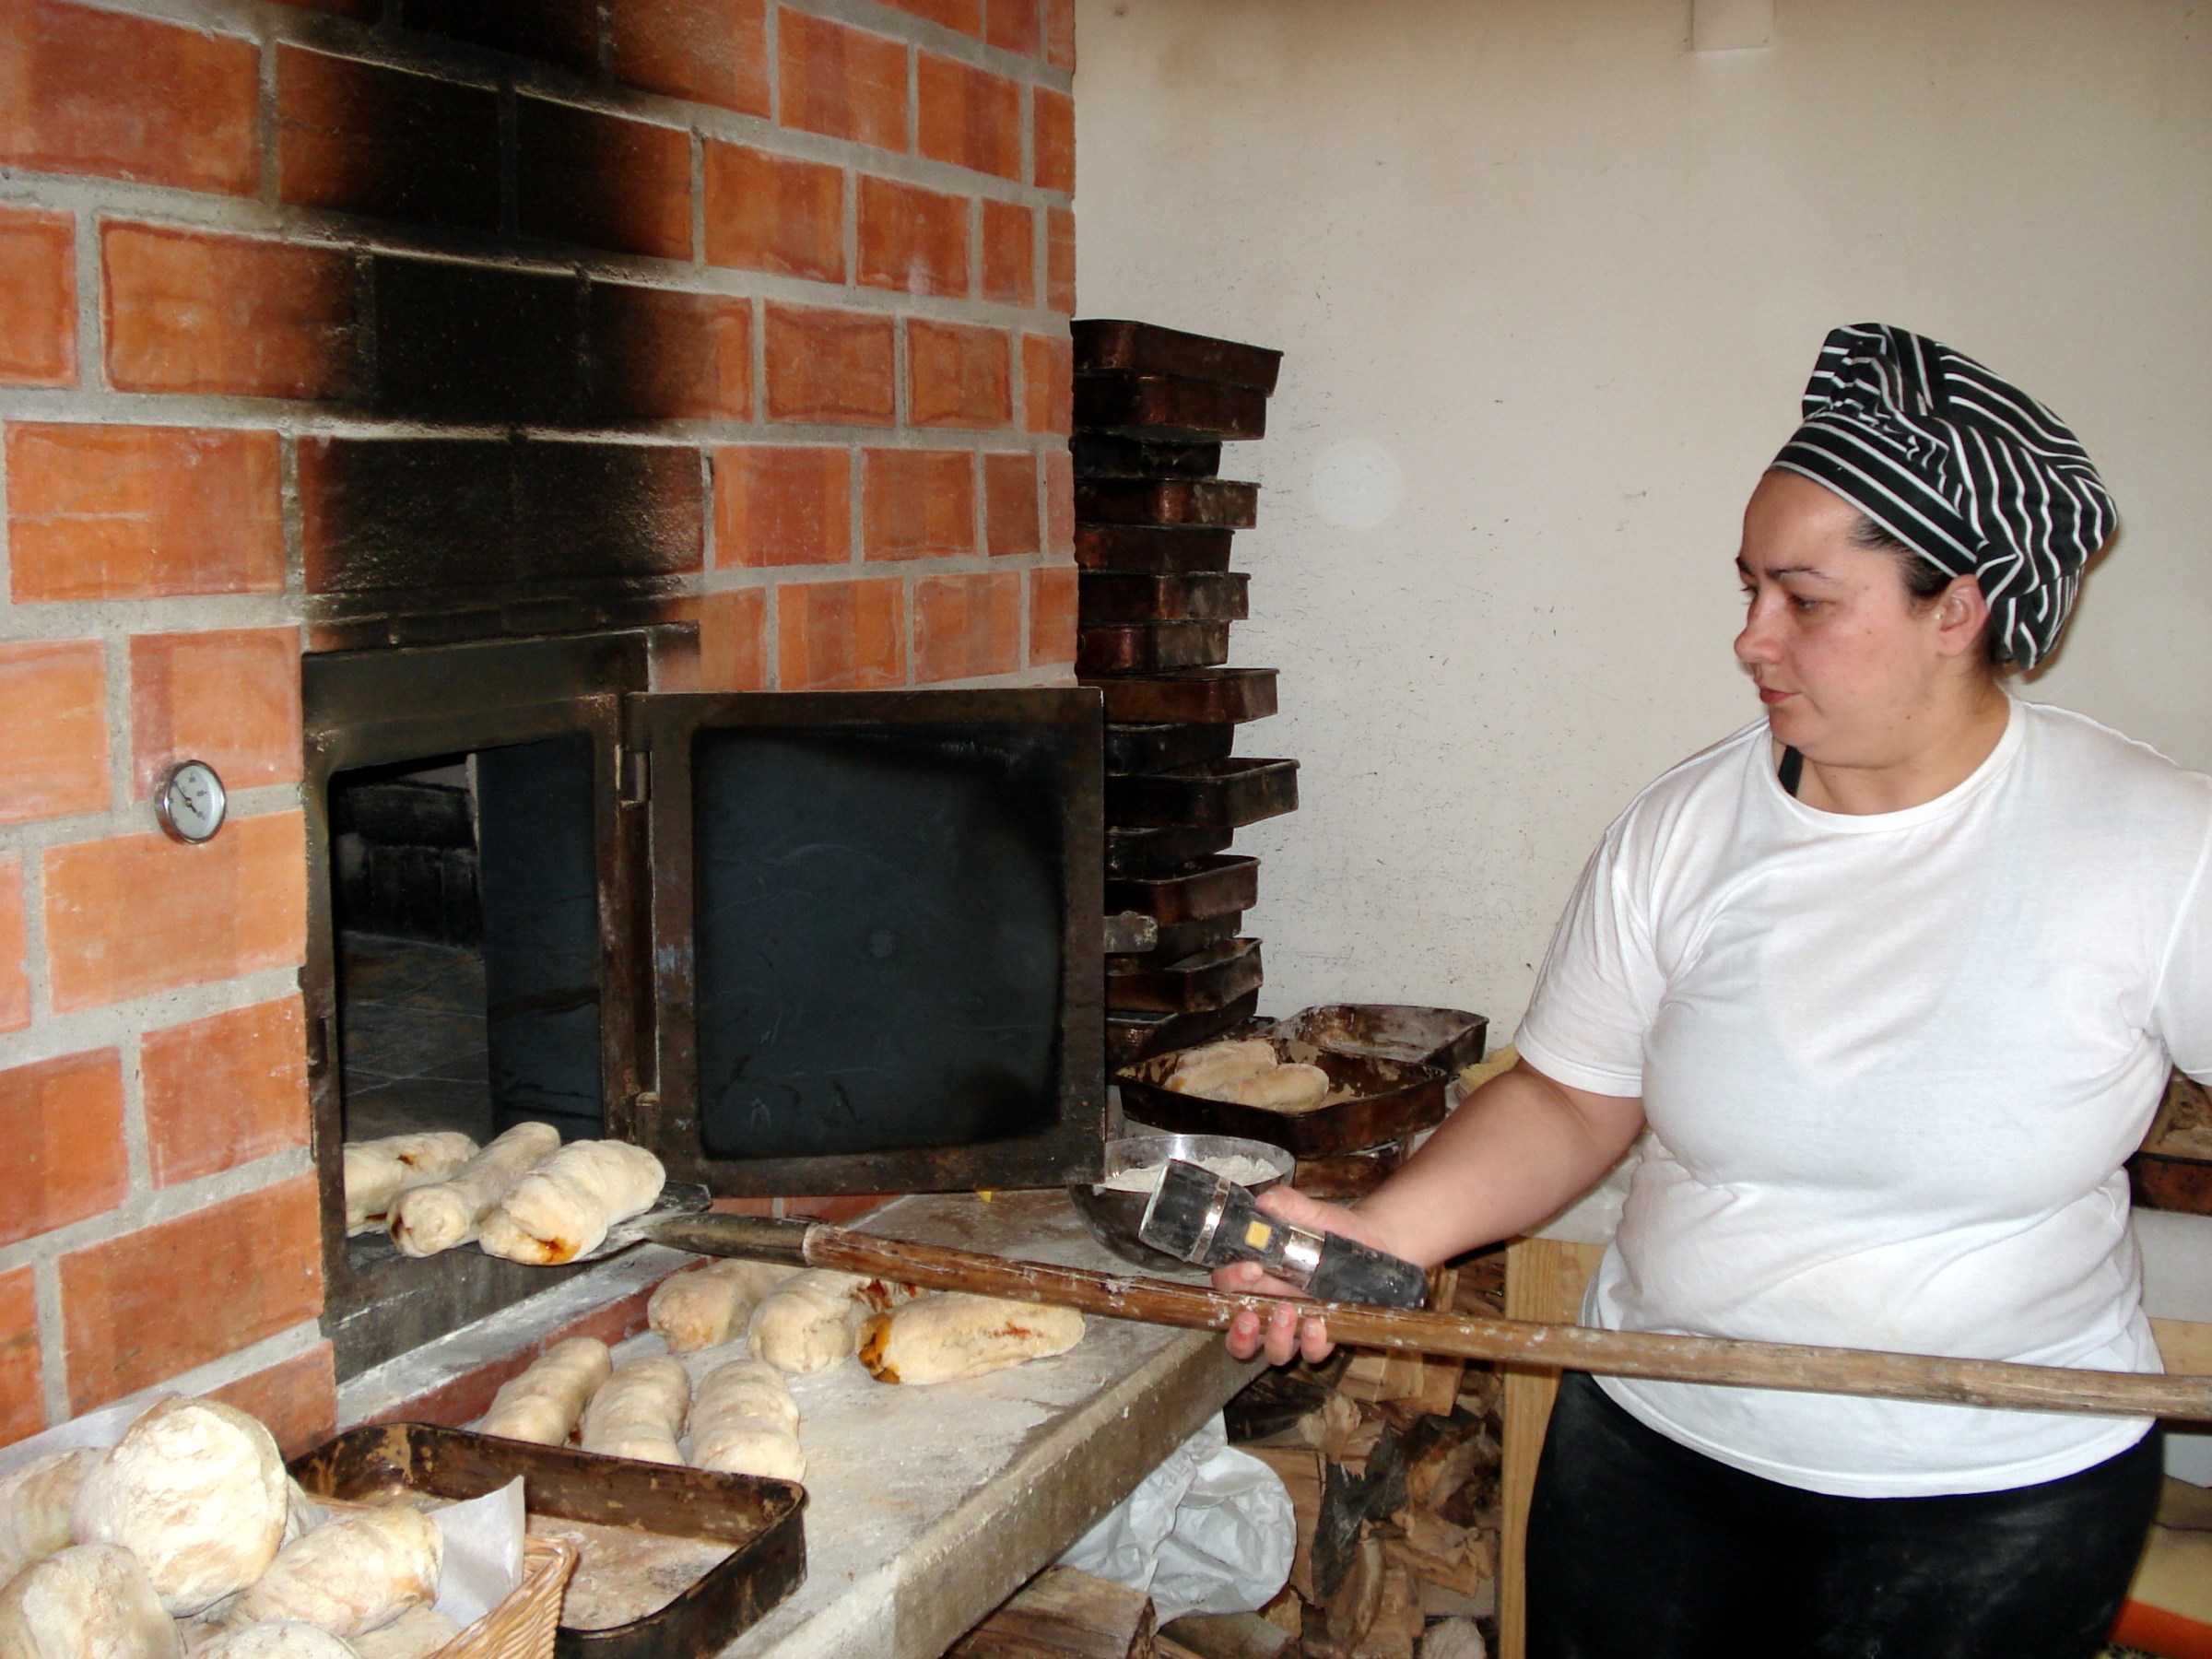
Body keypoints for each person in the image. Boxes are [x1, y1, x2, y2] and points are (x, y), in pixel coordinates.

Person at [1217, 324, 2208, 1657]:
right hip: (1658, 1447)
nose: (1750, 637)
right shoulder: (1687, 825)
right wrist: (1385, 1235)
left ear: (1956, 609)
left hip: (1994, 1498)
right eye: (1748, 587)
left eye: (1804, 599)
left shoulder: (2151, 845)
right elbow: (1573, 1096)